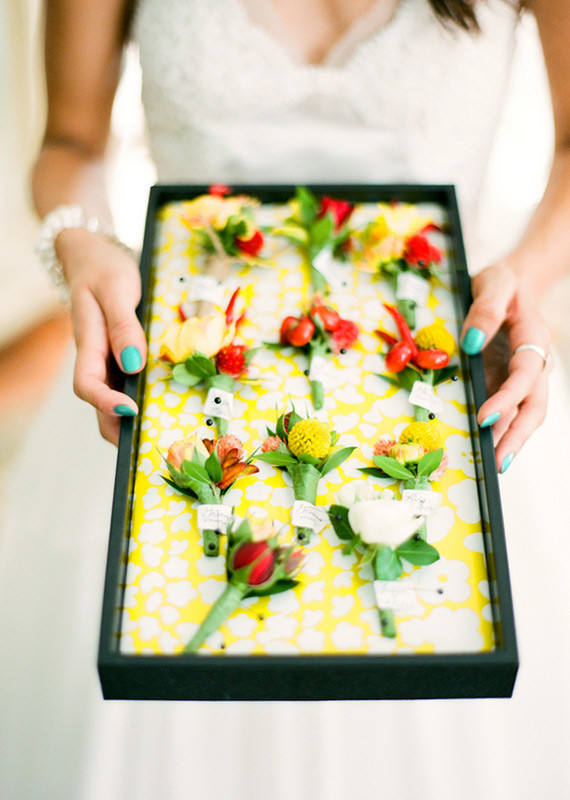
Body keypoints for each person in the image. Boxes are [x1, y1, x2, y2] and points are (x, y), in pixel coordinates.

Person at [0, 1, 569, 798]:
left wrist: (526, 277)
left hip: (437, 379)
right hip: (178, 376)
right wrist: (82, 238)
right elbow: (70, 143)